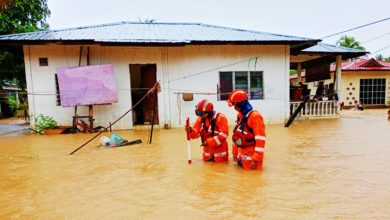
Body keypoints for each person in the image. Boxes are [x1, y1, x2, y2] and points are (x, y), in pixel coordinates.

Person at [227, 89, 266, 170]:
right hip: (241, 155)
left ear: (241, 104)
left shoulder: (255, 117)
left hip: (251, 158)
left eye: (235, 105)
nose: (234, 108)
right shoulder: (240, 115)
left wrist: (256, 158)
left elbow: (260, 139)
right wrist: (235, 152)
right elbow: (237, 134)